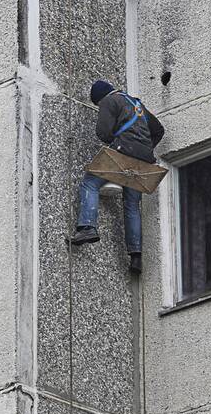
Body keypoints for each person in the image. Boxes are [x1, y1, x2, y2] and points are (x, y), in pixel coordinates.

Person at [69, 79, 166, 274]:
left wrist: (120, 140)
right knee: (132, 205)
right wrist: (143, 149)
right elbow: (158, 130)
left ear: (99, 98)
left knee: (90, 182)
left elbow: (103, 133)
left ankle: (87, 227)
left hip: (123, 151)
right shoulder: (137, 104)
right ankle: (136, 257)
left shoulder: (108, 101)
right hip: (143, 161)